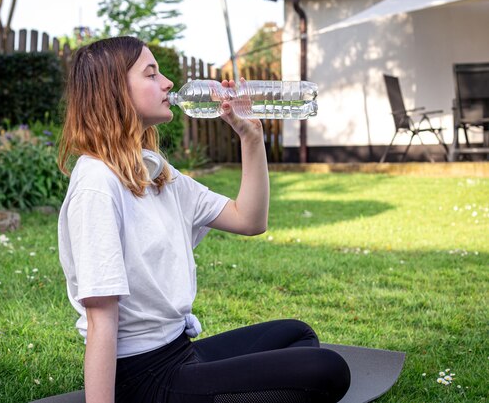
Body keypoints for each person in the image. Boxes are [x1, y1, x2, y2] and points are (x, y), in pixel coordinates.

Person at [57, 36, 351, 403]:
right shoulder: (97, 184)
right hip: (143, 379)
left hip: (179, 352)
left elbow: (249, 219)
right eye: (151, 74)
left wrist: (251, 136)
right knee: (327, 371)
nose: (167, 83)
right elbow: (101, 318)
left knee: (297, 335)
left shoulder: (154, 171)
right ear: (113, 92)